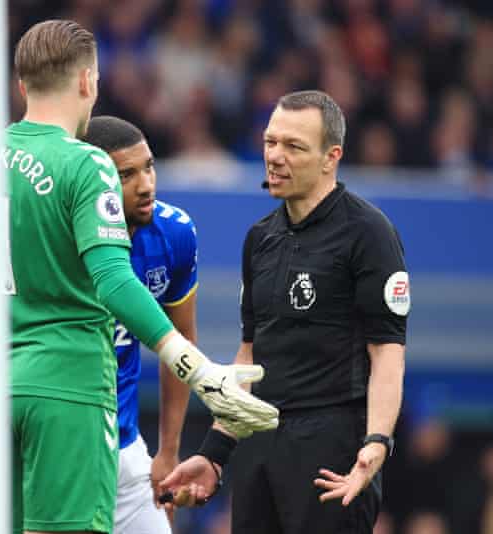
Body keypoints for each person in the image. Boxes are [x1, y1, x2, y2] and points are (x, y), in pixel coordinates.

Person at [0, 19, 279, 534]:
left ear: (22, 85)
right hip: (70, 390)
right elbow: (112, 279)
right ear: (89, 82)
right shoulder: (87, 164)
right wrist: (197, 369)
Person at [161, 90, 409, 533]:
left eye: (293, 146)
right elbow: (248, 360)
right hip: (260, 443)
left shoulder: (369, 233)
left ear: (331, 157)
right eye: (270, 142)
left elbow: (387, 355)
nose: (275, 156)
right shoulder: (259, 239)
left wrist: (376, 442)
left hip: (331, 450)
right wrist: (215, 453)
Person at [83, 115, 196, 533]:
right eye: (125, 174)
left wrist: (168, 452)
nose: (146, 184)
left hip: (125, 450)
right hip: (55, 448)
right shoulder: (51, 239)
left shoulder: (174, 234)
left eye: (149, 166)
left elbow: (181, 342)